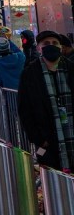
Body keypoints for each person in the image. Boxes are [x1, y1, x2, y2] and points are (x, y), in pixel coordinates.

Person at [18, 30, 74, 172]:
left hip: (71, 135)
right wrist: (39, 139)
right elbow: (25, 109)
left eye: (55, 43)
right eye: (46, 43)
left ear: (60, 47)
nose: (51, 45)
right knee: (52, 178)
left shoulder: (71, 68)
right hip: (46, 142)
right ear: (39, 48)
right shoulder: (30, 74)